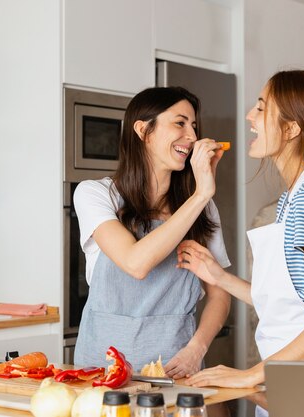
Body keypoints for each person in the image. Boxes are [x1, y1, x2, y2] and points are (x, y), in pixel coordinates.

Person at [178, 70, 304, 390]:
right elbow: (288, 301)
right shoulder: (292, 198)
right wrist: (218, 276)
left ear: (291, 128)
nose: (250, 115)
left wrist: (250, 375)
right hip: (293, 379)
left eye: (262, 108)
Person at [73, 86, 231, 379]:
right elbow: (136, 263)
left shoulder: (203, 209)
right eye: (180, 123)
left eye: (194, 126)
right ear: (143, 130)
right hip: (101, 373)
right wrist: (200, 195)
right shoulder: (95, 195)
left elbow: (220, 294)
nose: (193, 137)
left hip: (176, 367)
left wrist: (196, 350)